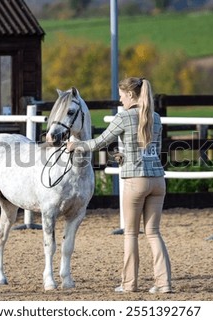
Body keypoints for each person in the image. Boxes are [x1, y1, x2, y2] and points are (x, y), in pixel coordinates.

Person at [67, 77, 172, 293]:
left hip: (135, 181)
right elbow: (153, 151)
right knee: (153, 233)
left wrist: (76, 145)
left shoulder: (123, 117)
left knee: (131, 234)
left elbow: (99, 143)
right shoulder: (157, 118)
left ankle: (129, 284)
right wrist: (123, 155)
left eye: (122, 95)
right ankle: (164, 284)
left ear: (131, 95)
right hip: (158, 181)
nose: (120, 100)